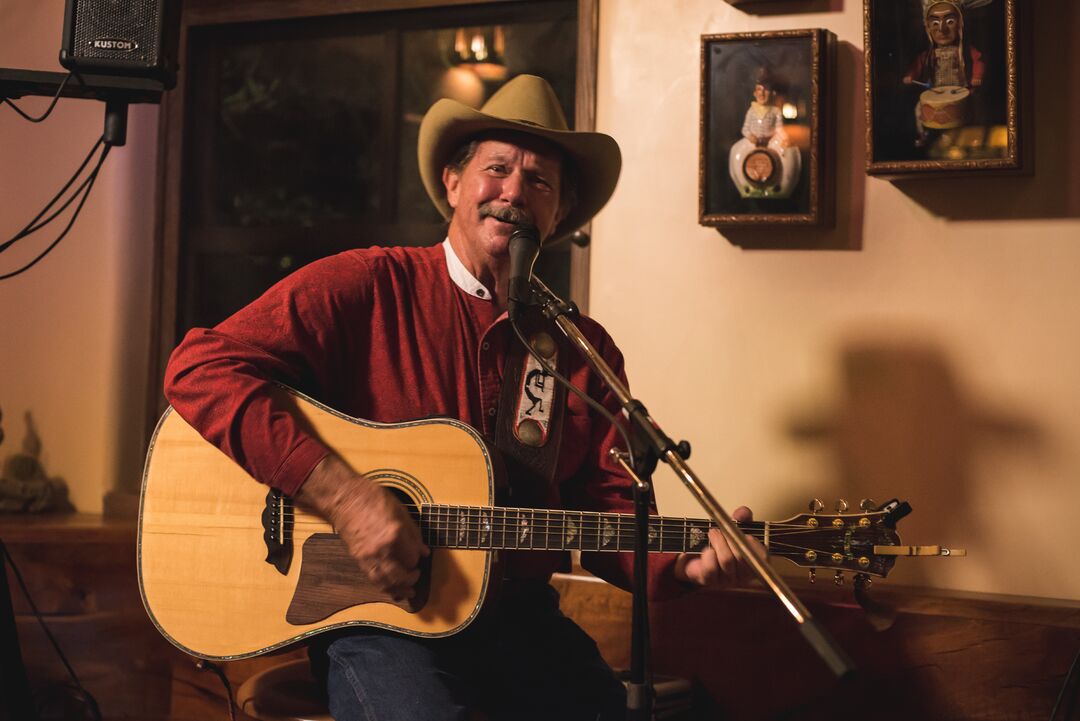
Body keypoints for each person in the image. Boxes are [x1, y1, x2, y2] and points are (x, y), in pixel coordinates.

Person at [164, 74, 761, 721]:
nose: (514, 193)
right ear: (453, 183)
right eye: (497, 169)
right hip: (383, 619)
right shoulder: (368, 285)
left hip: (521, 623)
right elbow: (200, 367)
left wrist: (681, 565)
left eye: (539, 182)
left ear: (558, 214)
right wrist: (343, 495)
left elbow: (606, 514)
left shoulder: (578, 349)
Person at [902, 0, 989, 144]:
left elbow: (978, 60)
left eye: (949, 21)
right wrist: (911, 76)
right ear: (928, 27)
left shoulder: (965, 52)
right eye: (935, 23)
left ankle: (975, 136)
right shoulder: (929, 55)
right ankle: (923, 135)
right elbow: (917, 65)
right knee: (919, 110)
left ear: (960, 24)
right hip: (937, 92)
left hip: (962, 91)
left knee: (977, 107)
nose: (942, 29)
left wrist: (977, 76)